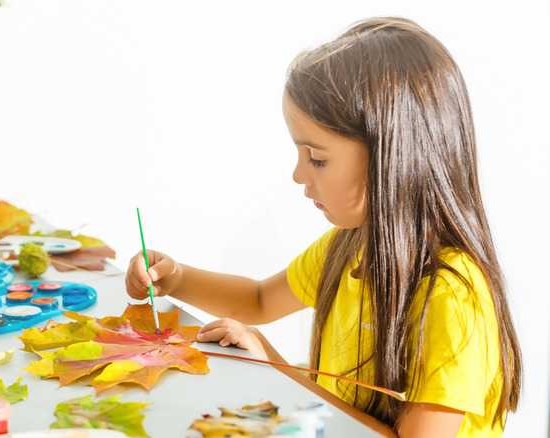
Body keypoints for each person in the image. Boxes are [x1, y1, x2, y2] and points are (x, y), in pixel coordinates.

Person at [125, 17, 522, 437]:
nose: (299, 174)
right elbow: (259, 300)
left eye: (316, 157)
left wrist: (278, 371)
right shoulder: (349, 247)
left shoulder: (452, 297)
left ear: (391, 157)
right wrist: (175, 279)